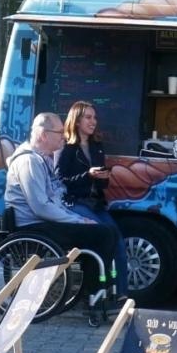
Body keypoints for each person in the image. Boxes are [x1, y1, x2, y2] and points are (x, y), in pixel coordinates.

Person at [5, 112, 123, 307]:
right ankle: (94, 295)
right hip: (34, 225)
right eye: (59, 132)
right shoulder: (28, 162)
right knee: (102, 233)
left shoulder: (43, 159)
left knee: (105, 230)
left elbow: (55, 197)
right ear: (43, 135)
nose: (64, 135)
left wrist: (75, 216)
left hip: (43, 221)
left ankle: (98, 290)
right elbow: (41, 206)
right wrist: (77, 220)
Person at [55, 100, 127, 297]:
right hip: (76, 202)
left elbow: (100, 181)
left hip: (96, 203)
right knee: (103, 236)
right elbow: (60, 180)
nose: (93, 121)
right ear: (76, 121)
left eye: (94, 117)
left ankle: (121, 294)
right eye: (88, 117)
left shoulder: (97, 146)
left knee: (118, 241)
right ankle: (95, 293)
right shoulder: (67, 148)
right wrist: (88, 175)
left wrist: (102, 178)